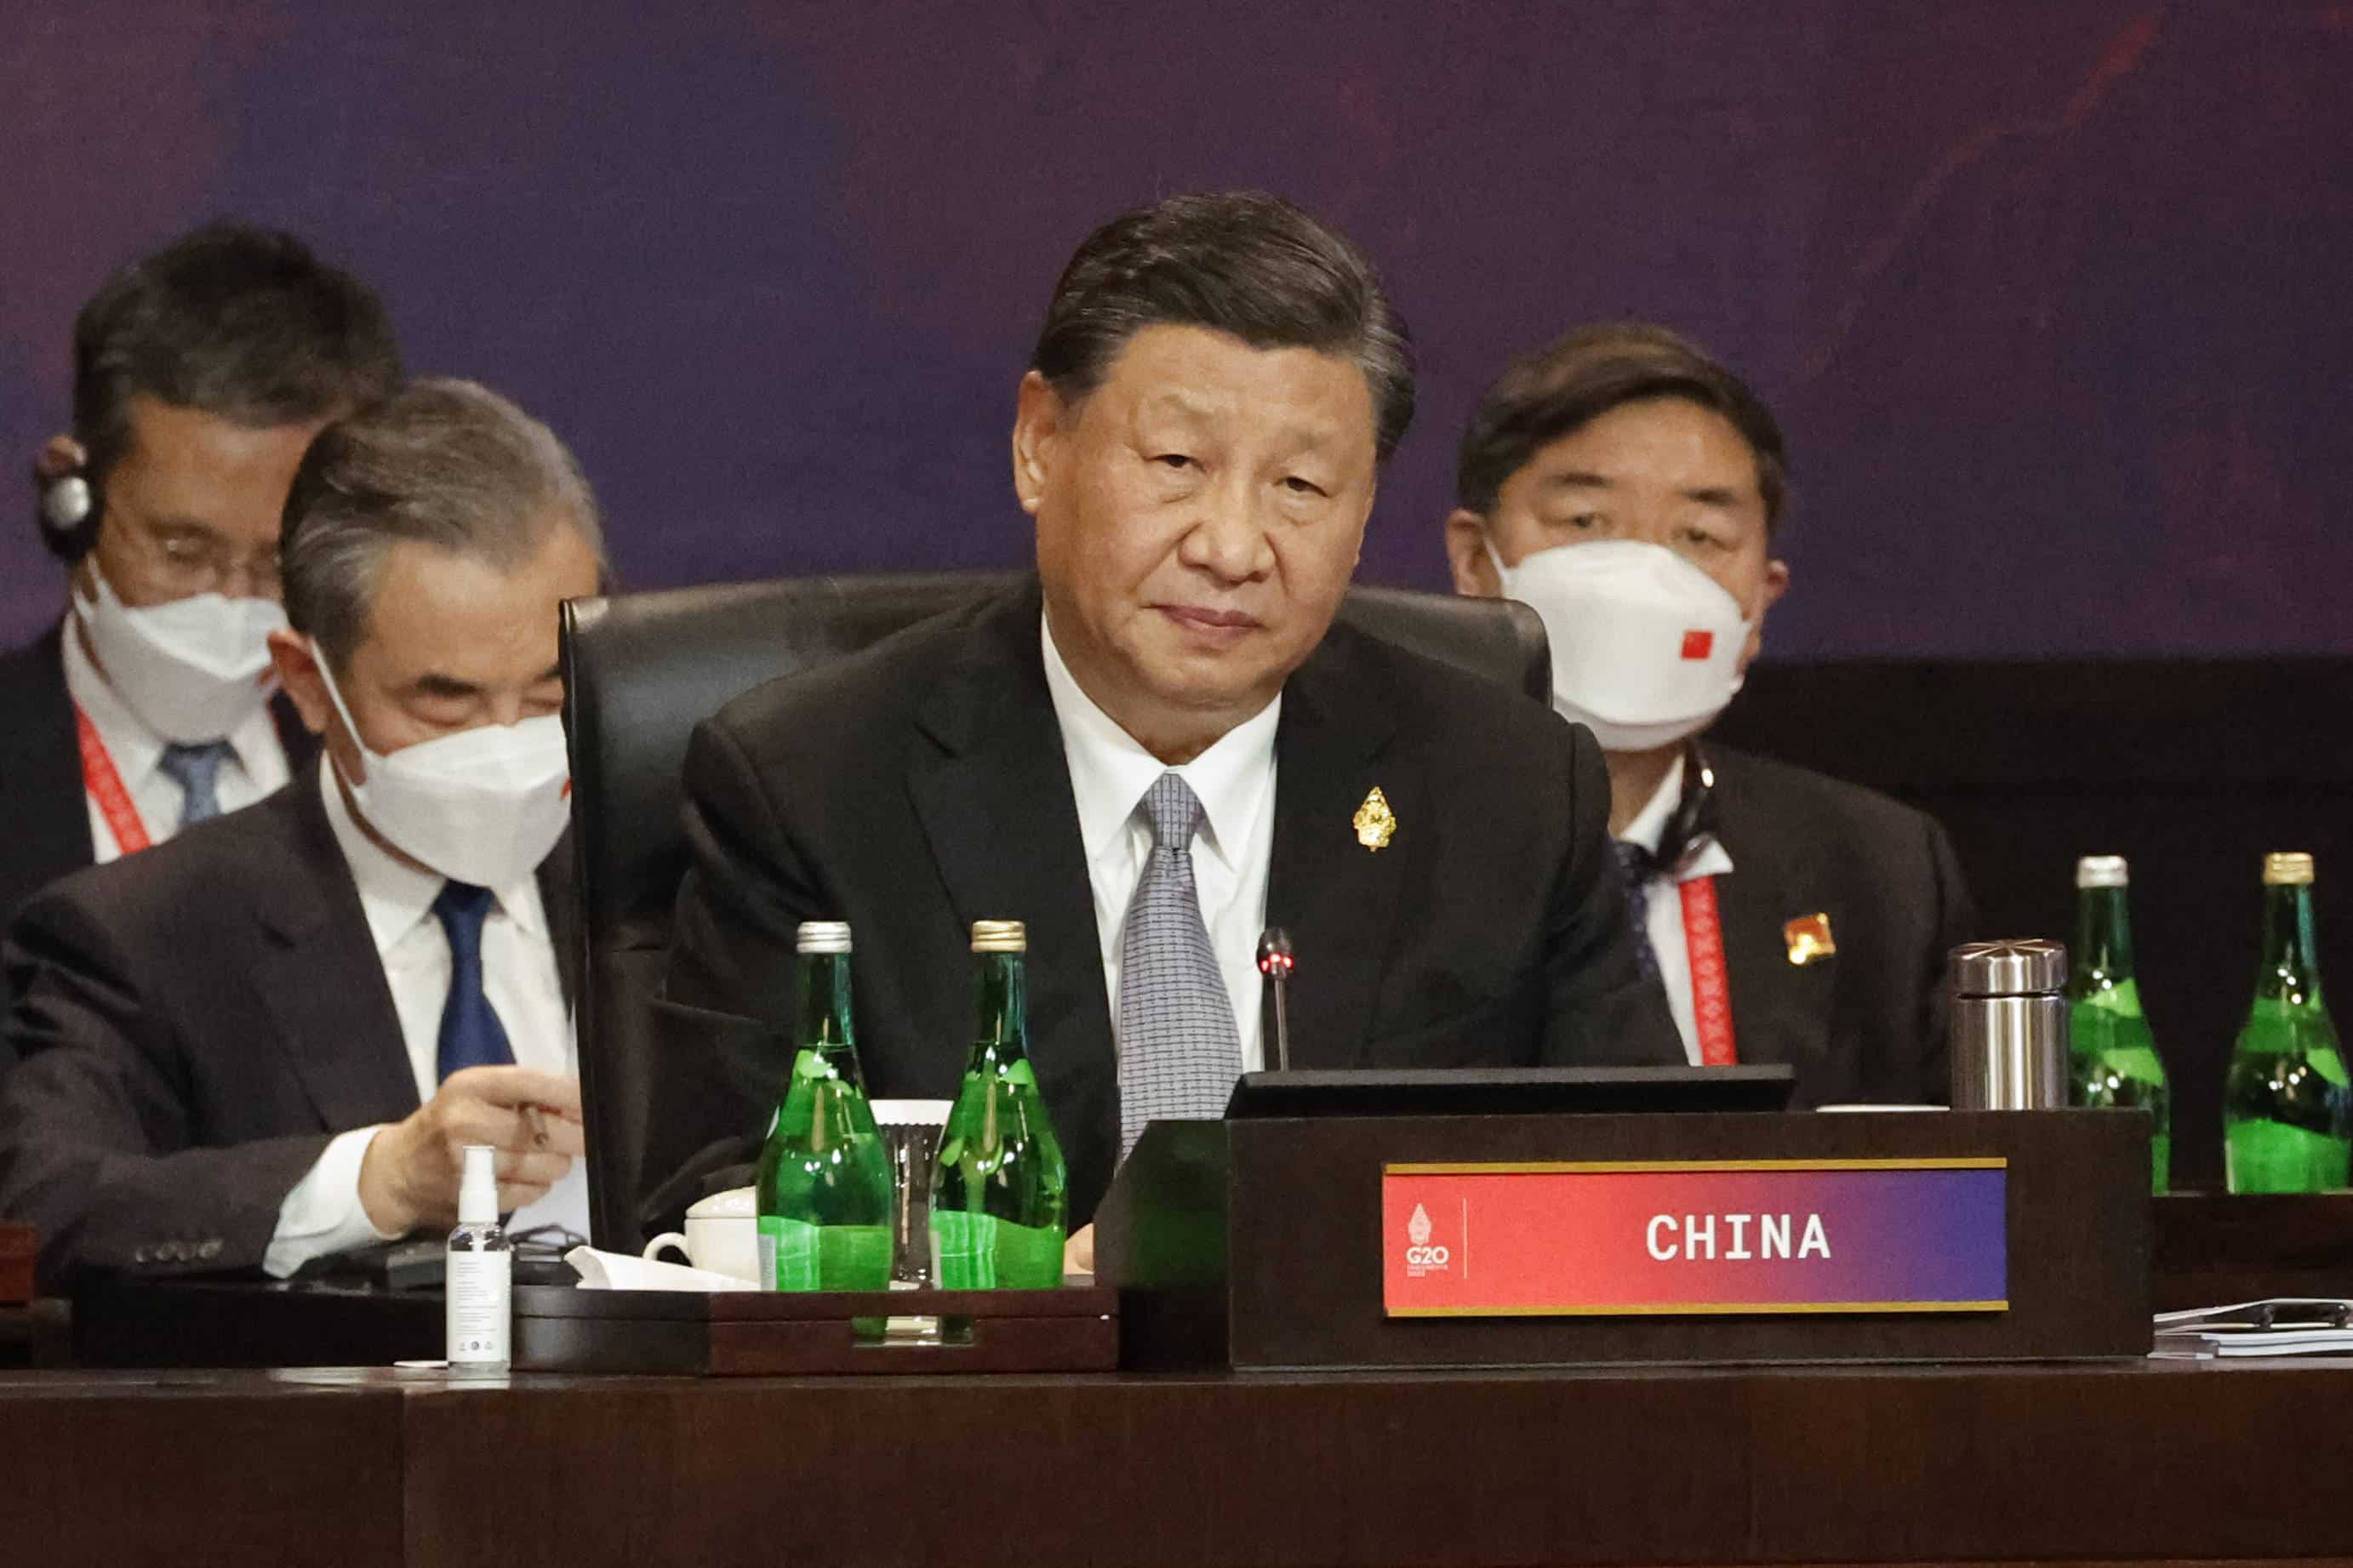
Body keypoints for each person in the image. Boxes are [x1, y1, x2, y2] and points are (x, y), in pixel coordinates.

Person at [651, 191, 1679, 1238]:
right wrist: (1012, 1278)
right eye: (1178, 465)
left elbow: (1656, 1192)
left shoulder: (1505, 786)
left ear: (1364, 513)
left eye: (1300, 485)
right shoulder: (812, 784)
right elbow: (719, 1206)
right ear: (1040, 443)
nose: (1231, 548)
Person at [0, 379, 601, 1290]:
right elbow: (44, 1207)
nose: (507, 741)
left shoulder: (679, 880)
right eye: (445, 701)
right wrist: (376, 1179)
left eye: (551, 691)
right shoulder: (144, 933)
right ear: (309, 682)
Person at [1444, 322, 1974, 1103]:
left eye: (1699, 535)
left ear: (1761, 603)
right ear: (1472, 562)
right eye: (1586, 522)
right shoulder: (1370, 845)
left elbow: (1959, 1200)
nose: (1643, 577)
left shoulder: (1879, 873)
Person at [0, 223, 404, 946]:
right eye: (182, 549)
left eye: (278, 564)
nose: (228, 601)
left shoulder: (396, 778)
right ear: (70, 496)